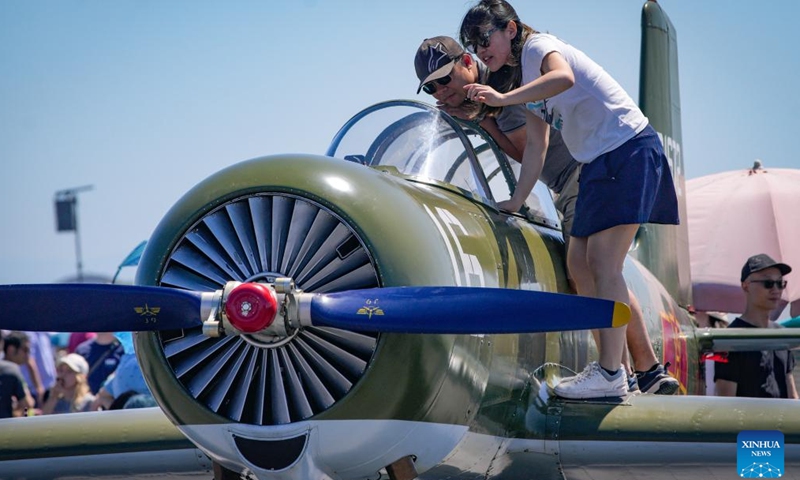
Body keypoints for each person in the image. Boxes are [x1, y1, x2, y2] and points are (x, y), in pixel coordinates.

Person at [459, 0, 679, 399]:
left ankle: (613, 373)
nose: (479, 50)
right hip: (598, 161)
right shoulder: (527, 76)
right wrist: (516, 201)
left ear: (510, 28)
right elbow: (536, 149)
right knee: (579, 262)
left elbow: (563, 78)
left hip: (625, 148)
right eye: (472, 44)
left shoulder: (539, 47)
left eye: (483, 37)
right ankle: (617, 371)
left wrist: (502, 100)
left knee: (603, 264)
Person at [714, 254, 798, 399]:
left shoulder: (783, 335)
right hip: (749, 421)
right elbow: (725, 404)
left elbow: (792, 395)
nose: (776, 289)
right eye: (768, 283)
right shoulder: (729, 339)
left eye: (780, 283)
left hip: (781, 420)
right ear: (745, 286)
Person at [0, 332, 34, 418]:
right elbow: (28, 404)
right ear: (11, 350)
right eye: (25, 350)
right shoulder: (12, 370)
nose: (28, 355)